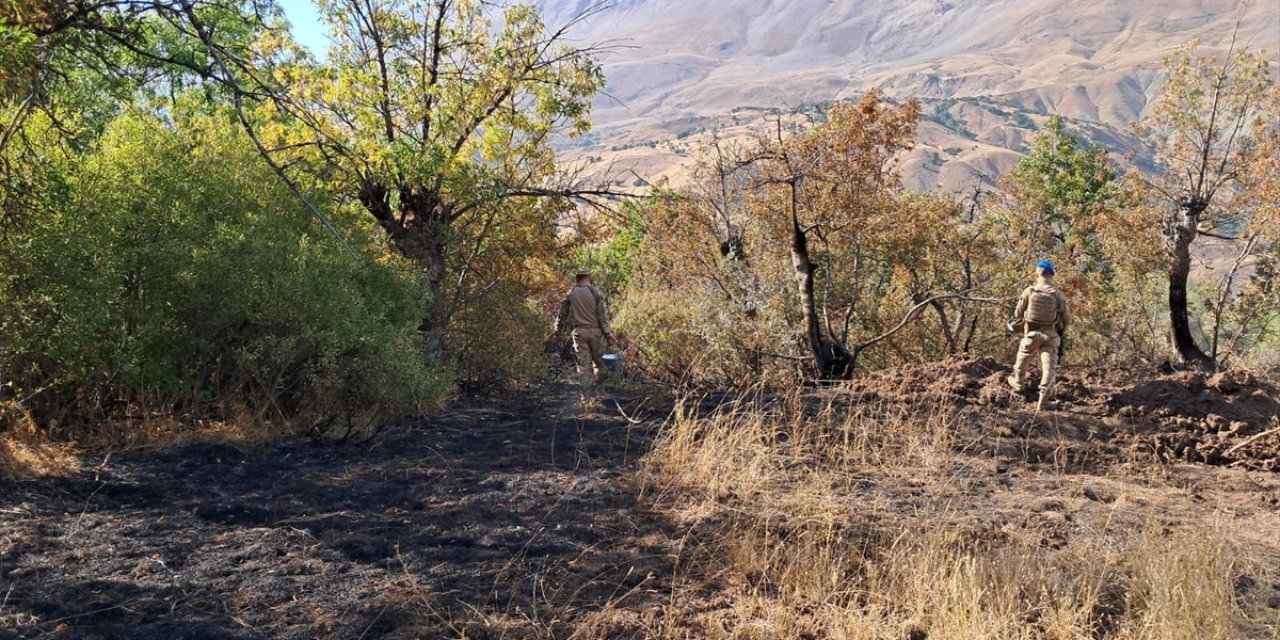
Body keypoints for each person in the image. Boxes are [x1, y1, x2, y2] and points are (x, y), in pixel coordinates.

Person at [1007, 259, 1071, 411]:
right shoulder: (1058, 294)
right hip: (1051, 335)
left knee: (1022, 359)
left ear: (1037, 272)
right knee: (1049, 369)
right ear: (1051, 275)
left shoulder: (1029, 291)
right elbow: (1067, 318)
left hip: (1031, 334)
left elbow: (1017, 313)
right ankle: (1043, 402)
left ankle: (1018, 384)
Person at [555, 270, 616, 397]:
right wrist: (608, 335)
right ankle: (600, 395)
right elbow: (602, 317)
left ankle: (586, 398)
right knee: (600, 364)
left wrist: (558, 331)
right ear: (588, 278)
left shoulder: (571, 293)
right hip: (597, 333)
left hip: (579, 333)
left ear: (577, 279)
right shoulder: (596, 292)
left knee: (583, 367)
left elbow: (562, 316)